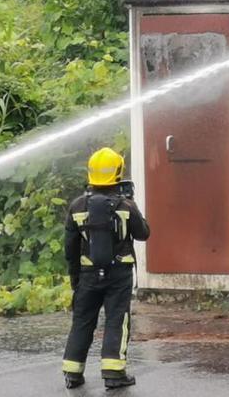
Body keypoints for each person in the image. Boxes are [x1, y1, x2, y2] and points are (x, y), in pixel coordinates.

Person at [61, 147, 150, 389]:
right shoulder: (125, 206)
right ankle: (114, 374)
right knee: (116, 319)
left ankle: (72, 373)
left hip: (88, 274)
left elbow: (70, 249)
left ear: (91, 173)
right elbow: (143, 234)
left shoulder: (77, 206)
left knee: (82, 320)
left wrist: (76, 281)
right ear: (118, 172)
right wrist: (132, 204)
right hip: (118, 273)